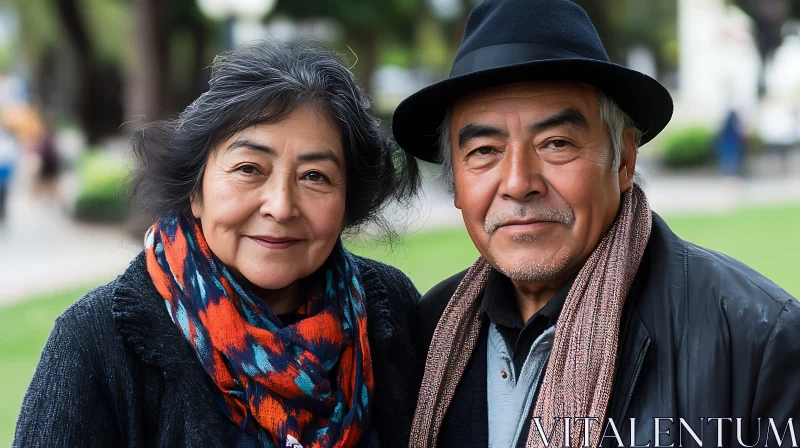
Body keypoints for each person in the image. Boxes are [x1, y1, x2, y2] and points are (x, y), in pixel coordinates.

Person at [391, 1, 800, 447]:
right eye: (484, 151)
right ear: (456, 185)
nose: (517, 182)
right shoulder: (425, 332)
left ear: (623, 160)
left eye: (556, 143)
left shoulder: (754, 337)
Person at [14, 41, 422, 448]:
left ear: (347, 199)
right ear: (196, 189)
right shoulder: (96, 342)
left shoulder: (391, 308)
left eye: (315, 176)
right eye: (248, 168)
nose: (280, 207)